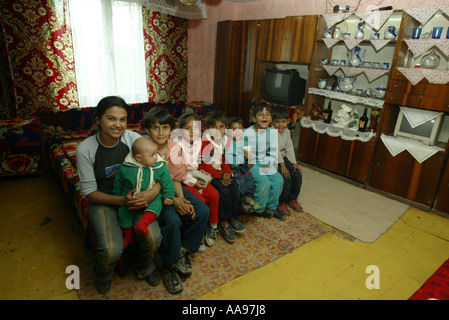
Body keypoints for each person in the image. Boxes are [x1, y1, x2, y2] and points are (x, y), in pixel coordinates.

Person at [76, 96, 162, 295]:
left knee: (154, 238)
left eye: (122, 119)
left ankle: (145, 266)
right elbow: (89, 193)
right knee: (111, 249)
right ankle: (103, 274)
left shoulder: (132, 139)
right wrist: (121, 200)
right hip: (104, 199)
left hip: (137, 197)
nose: (118, 124)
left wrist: (152, 192)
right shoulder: (86, 149)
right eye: (111, 119)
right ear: (98, 120)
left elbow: (160, 167)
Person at [144, 107, 209, 294]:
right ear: (148, 130)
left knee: (201, 210)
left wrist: (180, 198)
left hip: (173, 187)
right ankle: (169, 265)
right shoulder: (144, 147)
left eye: (165, 128)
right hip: (154, 193)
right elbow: (150, 183)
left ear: (171, 130)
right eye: (155, 128)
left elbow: (177, 176)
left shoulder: (174, 148)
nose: (161, 132)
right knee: (172, 220)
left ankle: (182, 249)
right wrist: (173, 200)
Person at [113, 137, 175, 249]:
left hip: (152, 198)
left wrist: (169, 196)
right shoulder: (126, 168)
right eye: (152, 155)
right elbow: (118, 183)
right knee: (123, 213)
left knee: (156, 206)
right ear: (139, 158)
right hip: (130, 199)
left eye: (156, 153)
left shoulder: (160, 166)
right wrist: (118, 198)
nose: (156, 157)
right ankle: (128, 235)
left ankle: (142, 224)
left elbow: (167, 181)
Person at [174, 112, 220, 248]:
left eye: (195, 128)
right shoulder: (177, 146)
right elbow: (179, 172)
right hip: (183, 179)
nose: (192, 132)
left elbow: (207, 158)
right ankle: (195, 234)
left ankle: (213, 225)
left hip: (197, 174)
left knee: (214, 196)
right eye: (187, 128)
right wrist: (193, 182)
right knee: (200, 202)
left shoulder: (200, 142)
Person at [199, 110, 246, 243]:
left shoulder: (224, 140)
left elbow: (224, 158)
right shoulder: (204, 142)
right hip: (208, 174)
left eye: (221, 127)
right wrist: (220, 175)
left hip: (220, 172)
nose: (218, 131)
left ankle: (232, 219)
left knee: (235, 187)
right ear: (207, 129)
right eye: (213, 127)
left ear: (226, 128)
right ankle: (224, 224)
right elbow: (203, 166)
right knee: (224, 191)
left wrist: (227, 173)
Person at [244, 102, 285, 221]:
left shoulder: (271, 133)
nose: (265, 117)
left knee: (278, 180)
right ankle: (259, 209)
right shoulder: (248, 133)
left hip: (265, 160)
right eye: (261, 115)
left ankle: (271, 207)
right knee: (264, 182)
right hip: (251, 162)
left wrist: (268, 164)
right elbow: (245, 152)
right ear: (253, 118)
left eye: (267, 114)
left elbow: (273, 151)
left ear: (271, 118)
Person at [271, 106, 303, 215]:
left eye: (283, 122)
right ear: (272, 122)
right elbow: (275, 151)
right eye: (277, 122)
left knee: (297, 174)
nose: (280, 125)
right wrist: (283, 166)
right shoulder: (271, 133)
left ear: (288, 121)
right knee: (286, 177)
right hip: (273, 159)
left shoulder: (287, 131)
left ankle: (292, 198)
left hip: (283, 158)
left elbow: (289, 148)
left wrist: (294, 163)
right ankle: (281, 202)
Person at [225, 116, 260, 213]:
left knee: (250, 179)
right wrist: (243, 158)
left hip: (243, 166)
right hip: (234, 167)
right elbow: (230, 159)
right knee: (241, 181)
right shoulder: (229, 142)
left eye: (239, 129)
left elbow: (249, 155)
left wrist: (249, 161)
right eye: (233, 129)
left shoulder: (245, 142)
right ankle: (240, 201)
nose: (237, 132)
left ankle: (248, 198)